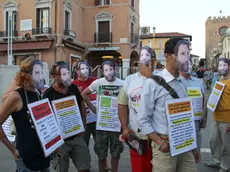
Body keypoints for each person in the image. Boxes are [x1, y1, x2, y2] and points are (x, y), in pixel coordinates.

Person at [138, 38, 197, 172]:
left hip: (185, 145)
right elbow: (143, 119)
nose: (186, 58)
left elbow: (186, 116)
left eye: (187, 54)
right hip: (166, 147)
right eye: (181, 54)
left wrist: (193, 147)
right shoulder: (152, 84)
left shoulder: (182, 81)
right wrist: (160, 142)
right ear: (167, 56)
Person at [0, 57, 50, 172]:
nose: (41, 77)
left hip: (43, 155)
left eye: (41, 72)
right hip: (26, 158)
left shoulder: (37, 93)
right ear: (26, 75)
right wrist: (13, 150)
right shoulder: (16, 96)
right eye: (37, 73)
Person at [43, 61, 91, 172]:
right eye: (62, 74)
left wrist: (83, 123)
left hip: (77, 137)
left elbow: (81, 104)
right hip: (60, 142)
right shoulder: (48, 94)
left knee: (85, 167)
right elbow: (45, 119)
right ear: (54, 76)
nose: (66, 77)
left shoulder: (73, 88)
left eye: (67, 73)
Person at [117, 46, 156, 172]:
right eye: (142, 57)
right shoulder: (129, 80)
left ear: (154, 61)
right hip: (137, 137)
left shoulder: (161, 79)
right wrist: (125, 127)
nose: (144, 60)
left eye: (148, 57)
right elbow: (122, 103)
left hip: (158, 138)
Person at [82, 60, 124, 172]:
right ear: (102, 71)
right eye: (106, 70)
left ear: (115, 69)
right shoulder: (98, 83)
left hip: (116, 125)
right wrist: (92, 108)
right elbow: (84, 94)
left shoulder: (122, 84)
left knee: (116, 153)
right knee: (101, 154)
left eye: (111, 69)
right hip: (102, 125)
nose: (109, 72)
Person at [176, 40, 207, 163]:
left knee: (194, 156)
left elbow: (203, 100)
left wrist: (203, 119)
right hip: (180, 123)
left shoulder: (198, 82)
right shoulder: (175, 81)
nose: (188, 66)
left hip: (195, 123)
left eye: (190, 64)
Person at [206, 58, 230, 172]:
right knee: (213, 140)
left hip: (227, 118)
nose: (221, 68)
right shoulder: (219, 80)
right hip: (216, 116)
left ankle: (225, 166)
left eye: (224, 65)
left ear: (229, 67)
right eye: (220, 65)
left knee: (226, 145)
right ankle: (216, 161)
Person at [72, 60, 97, 146]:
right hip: (83, 121)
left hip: (96, 119)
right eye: (83, 68)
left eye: (87, 68)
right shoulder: (73, 85)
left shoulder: (95, 81)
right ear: (77, 71)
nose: (85, 70)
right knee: (83, 146)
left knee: (100, 146)